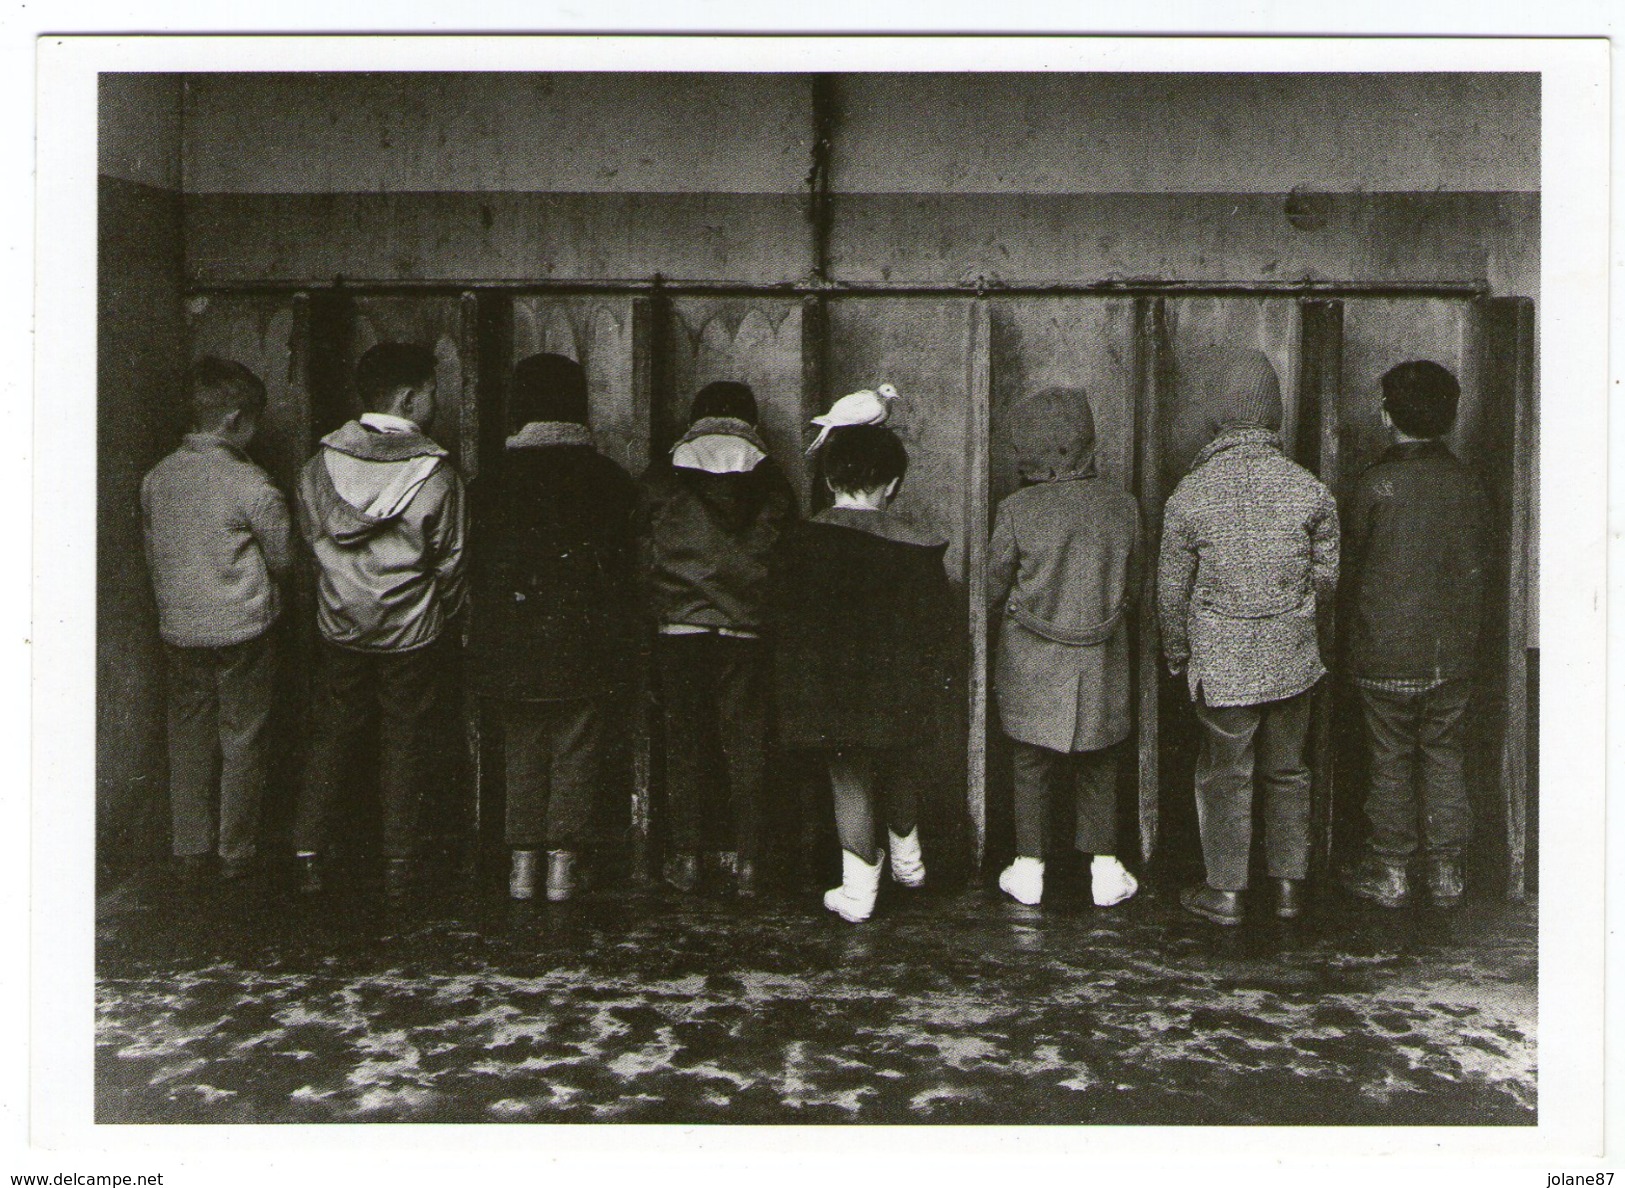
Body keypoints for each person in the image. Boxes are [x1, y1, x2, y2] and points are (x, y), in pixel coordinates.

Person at [1158, 349, 1338, 925]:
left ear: (1217, 417)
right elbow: (1327, 579)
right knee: (1289, 771)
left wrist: (1179, 653)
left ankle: (1227, 892)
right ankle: (1288, 890)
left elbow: (1170, 592)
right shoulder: (1310, 491)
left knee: (1225, 774)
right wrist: (1291, 619)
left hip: (1223, 662)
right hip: (1293, 660)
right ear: (1276, 414)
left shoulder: (1191, 494)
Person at [291, 342, 467, 897]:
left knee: (330, 736)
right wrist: (445, 615)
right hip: (412, 633)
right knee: (405, 741)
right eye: (433, 393)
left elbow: (310, 541)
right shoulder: (437, 474)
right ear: (412, 397)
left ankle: (306, 854)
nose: (435, 404)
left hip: (338, 625)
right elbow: (452, 562)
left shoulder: (317, 466)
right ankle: (398, 866)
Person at [466, 354, 638, 903]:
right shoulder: (609, 479)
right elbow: (624, 567)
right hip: (583, 637)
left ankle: (521, 869)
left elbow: (476, 568)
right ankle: (563, 870)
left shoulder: (488, 481)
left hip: (512, 640)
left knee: (521, 745)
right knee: (575, 743)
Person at [766, 424, 955, 923]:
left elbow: (783, 618)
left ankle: (858, 889)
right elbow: (938, 624)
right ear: (892, 485)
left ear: (830, 481)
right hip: (902, 686)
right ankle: (910, 865)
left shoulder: (801, 541)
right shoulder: (920, 546)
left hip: (833, 687)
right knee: (900, 763)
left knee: (849, 774)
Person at [1341, 361, 1489, 910]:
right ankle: (1447, 872)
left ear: (1386, 416)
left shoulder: (1374, 484)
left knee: (1391, 756)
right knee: (1444, 752)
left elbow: (1348, 568)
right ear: (1450, 417)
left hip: (1384, 653)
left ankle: (1390, 870)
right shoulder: (1469, 483)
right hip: (1452, 655)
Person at [639, 381, 796, 896]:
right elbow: (783, 555)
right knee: (747, 741)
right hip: (744, 629)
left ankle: (687, 859)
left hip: (678, 626)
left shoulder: (663, 474)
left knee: (684, 741)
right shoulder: (771, 478)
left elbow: (643, 548)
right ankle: (749, 865)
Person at [988, 387, 1141, 909]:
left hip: (1032, 663)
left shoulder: (1014, 509)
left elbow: (990, 589)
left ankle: (1029, 867)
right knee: (1099, 761)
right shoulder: (1124, 507)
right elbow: (1134, 590)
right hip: (1101, 661)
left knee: (1031, 760)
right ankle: (1104, 869)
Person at [141, 357, 291, 885]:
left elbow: (153, 551)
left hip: (181, 628)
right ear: (233, 421)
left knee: (187, 736)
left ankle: (189, 848)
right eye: (253, 421)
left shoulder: (158, 477)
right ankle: (236, 851)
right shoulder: (251, 483)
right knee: (243, 736)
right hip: (243, 630)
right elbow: (284, 560)